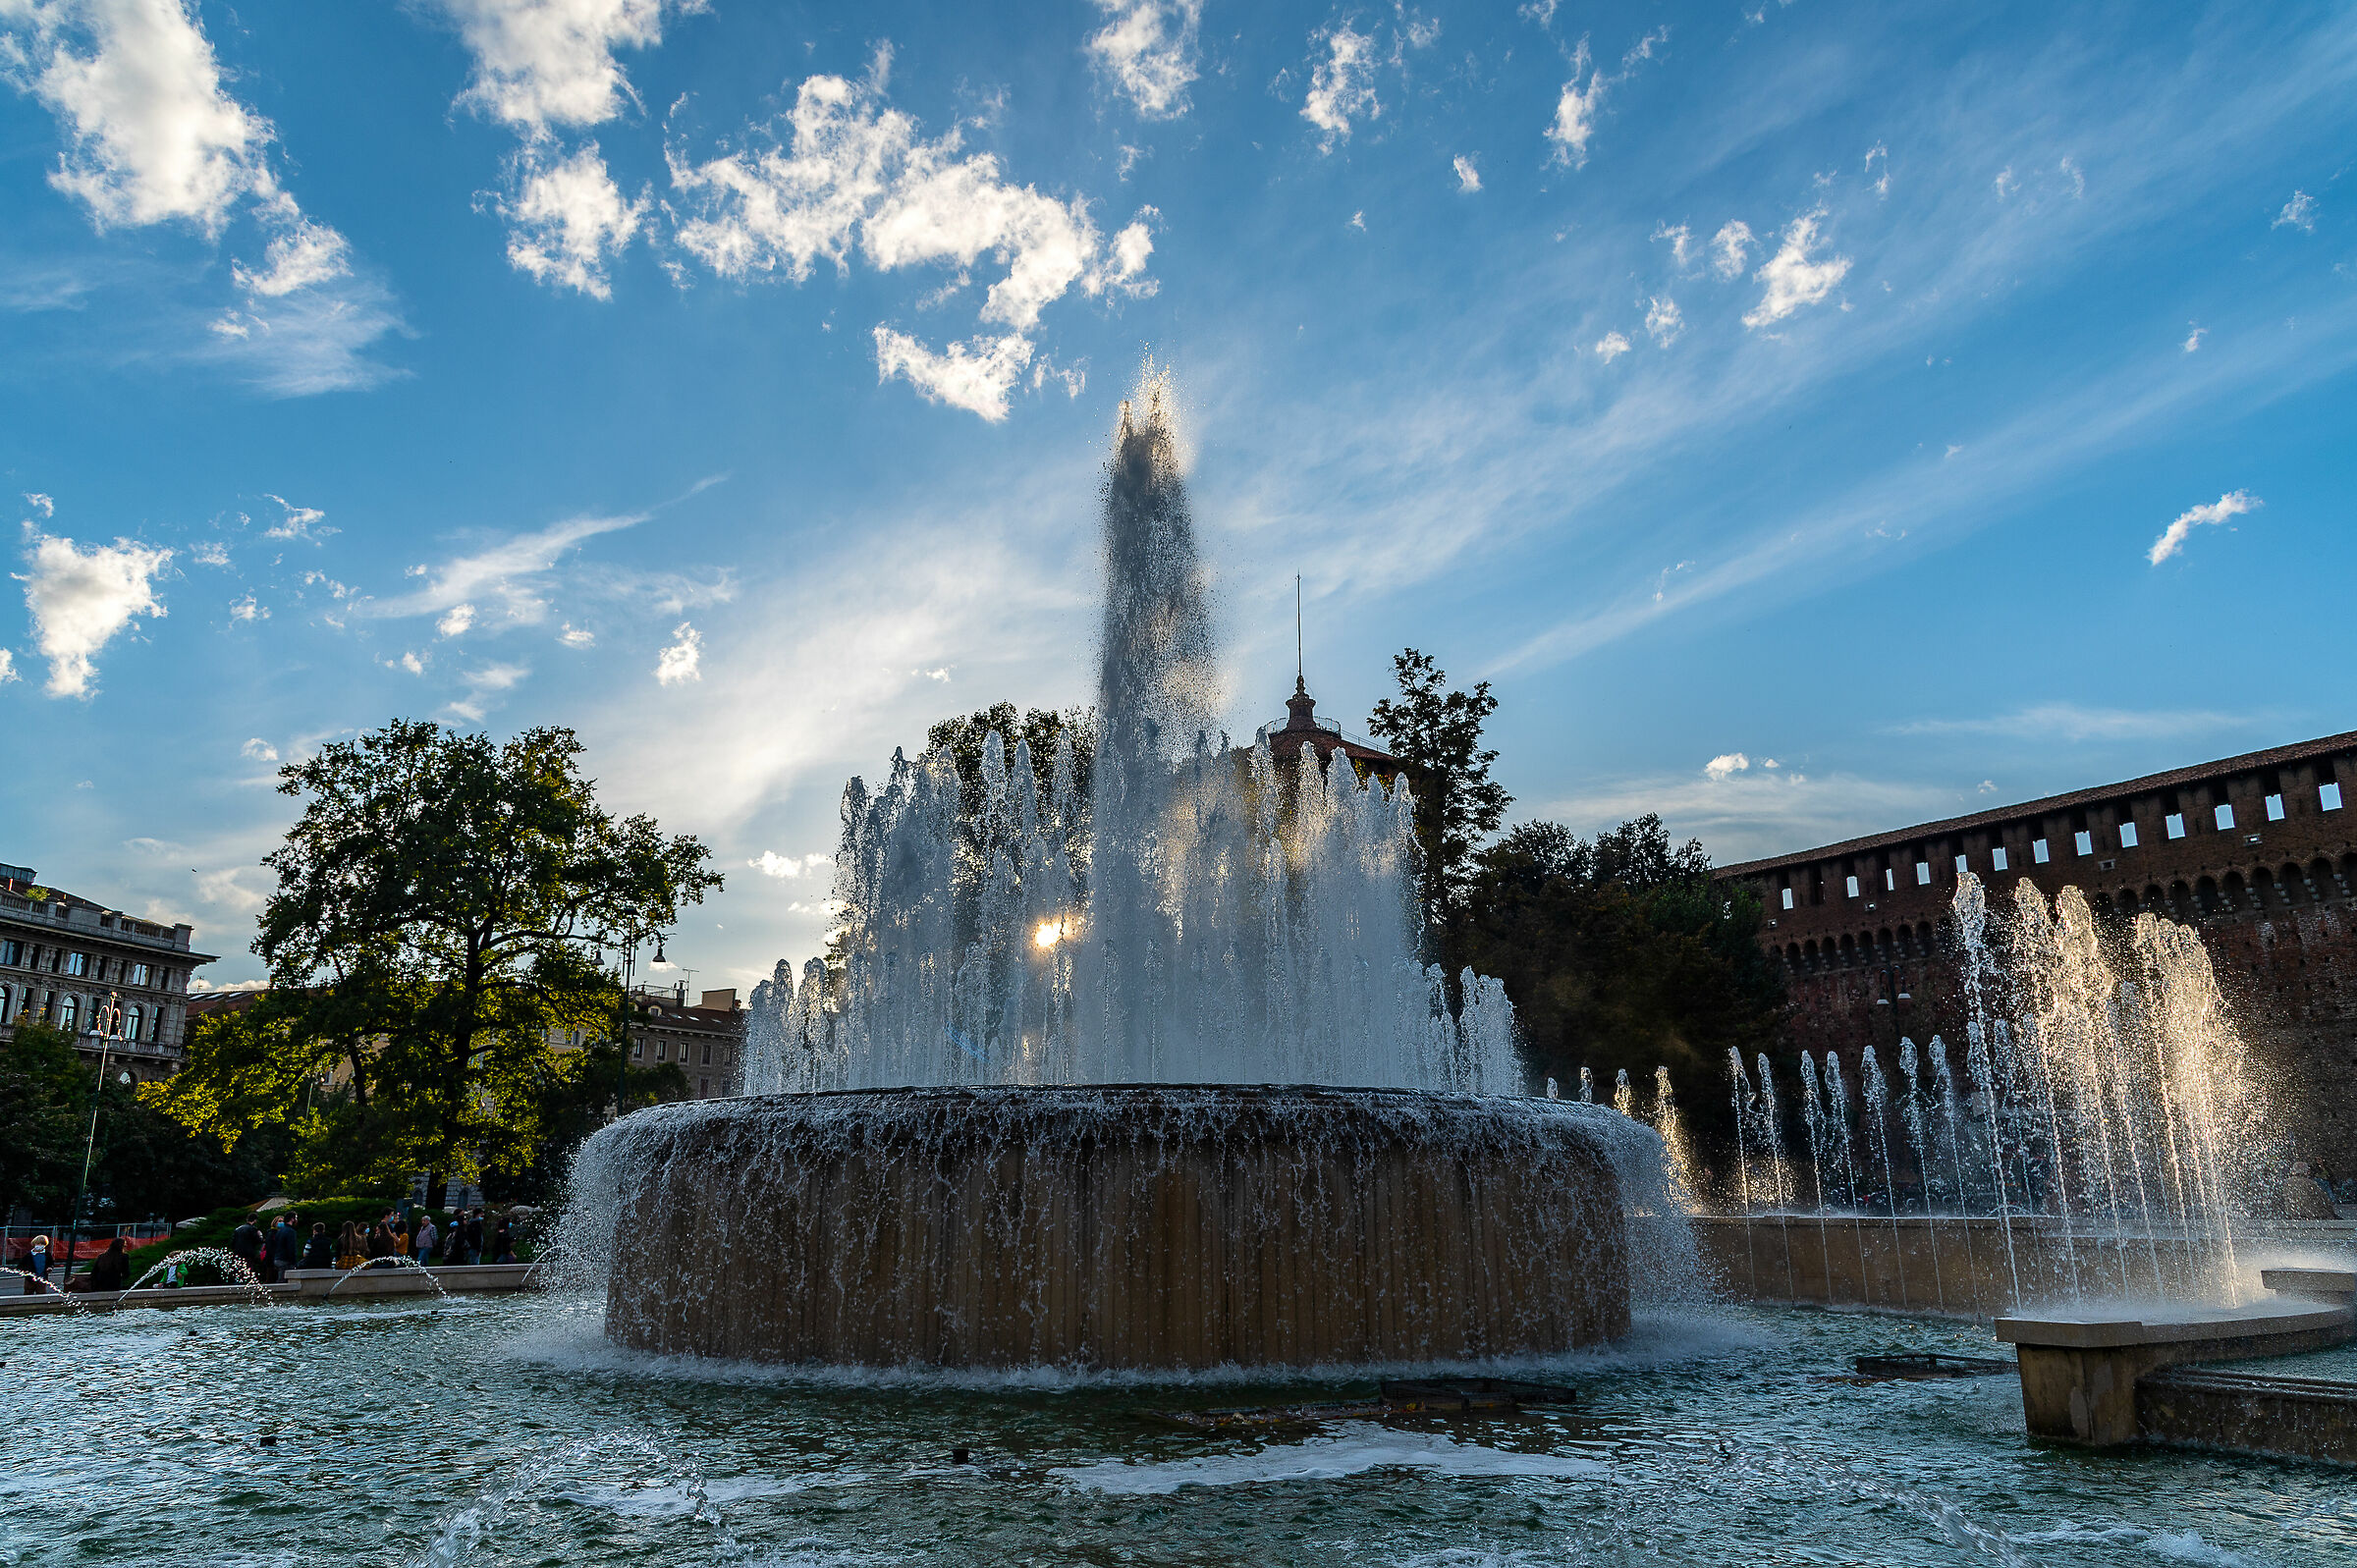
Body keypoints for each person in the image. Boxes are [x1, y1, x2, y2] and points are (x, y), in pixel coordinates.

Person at [229, 1217, 264, 1282]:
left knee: (239, 1269)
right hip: (248, 1253)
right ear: (255, 1220)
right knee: (249, 1268)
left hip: (238, 1252)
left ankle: (238, 1283)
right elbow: (257, 1240)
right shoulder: (253, 1228)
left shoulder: (237, 1229)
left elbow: (232, 1242)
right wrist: (261, 1237)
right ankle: (247, 1283)